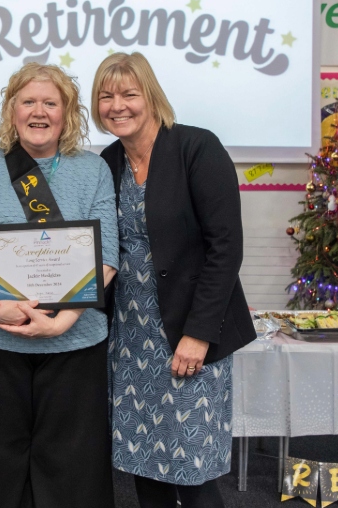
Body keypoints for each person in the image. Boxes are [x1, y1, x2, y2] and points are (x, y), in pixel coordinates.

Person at [0, 62, 118, 508]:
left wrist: (64, 321)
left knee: (72, 470)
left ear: (68, 113)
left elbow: (107, 256)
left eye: (50, 103)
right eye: (27, 102)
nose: (38, 112)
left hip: (74, 343)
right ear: (11, 109)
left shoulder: (93, 169)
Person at [92, 52, 256, 508]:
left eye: (129, 93)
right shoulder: (109, 161)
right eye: (106, 96)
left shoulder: (196, 148)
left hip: (188, 333)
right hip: (129, 338)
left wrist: (198, 335)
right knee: (144, 461)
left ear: (151, 96)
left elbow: (226, 249)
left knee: (193, 468)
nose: (117, 105)